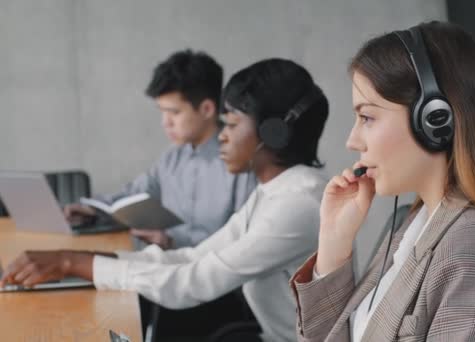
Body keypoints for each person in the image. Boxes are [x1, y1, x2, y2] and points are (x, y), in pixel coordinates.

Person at [1, 58, 330, 342]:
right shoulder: (275, 192)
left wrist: (72, 264)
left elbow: (193, 281)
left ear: (273, 134)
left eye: (230, 124)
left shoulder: (298, 204)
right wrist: (82, 259)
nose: (223, 135)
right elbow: (192, 257)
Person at [290, 21, 475, 341]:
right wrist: (334, 243)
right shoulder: (414, 224)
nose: (352, 140)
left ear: (434, 120)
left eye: (367, 117)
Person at [64, 49, 252, 249]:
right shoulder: (172, 158)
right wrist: (91, 209)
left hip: (216, 274)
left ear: (207, 109)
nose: (165, 123)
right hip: (169, 266)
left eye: (174, 112)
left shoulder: (242, 161)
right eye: (162, 112)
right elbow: (133, 195)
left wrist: (172, 241)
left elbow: (244, 240)